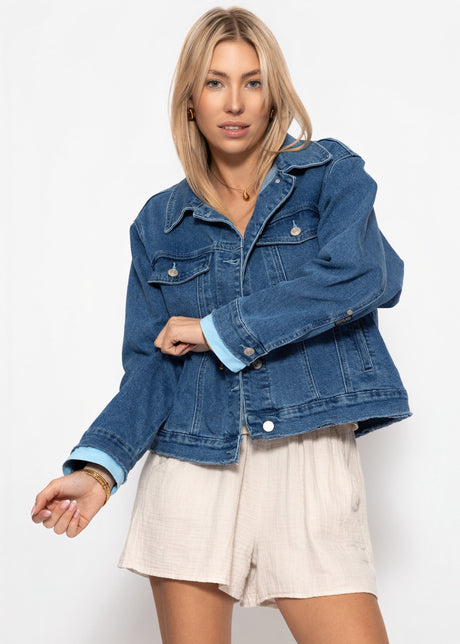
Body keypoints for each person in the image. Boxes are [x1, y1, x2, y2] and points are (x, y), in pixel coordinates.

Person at [31, 6, 411, 643]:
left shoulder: (328, 175)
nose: (235, 102)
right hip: (192, 460)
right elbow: (151, 367)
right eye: (215, 82)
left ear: (273, 95)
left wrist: (218, 330)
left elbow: (367, 274)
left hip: (306, 452)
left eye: (252, 82)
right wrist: (99, 470)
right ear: (191, 98)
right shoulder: (159, 222)